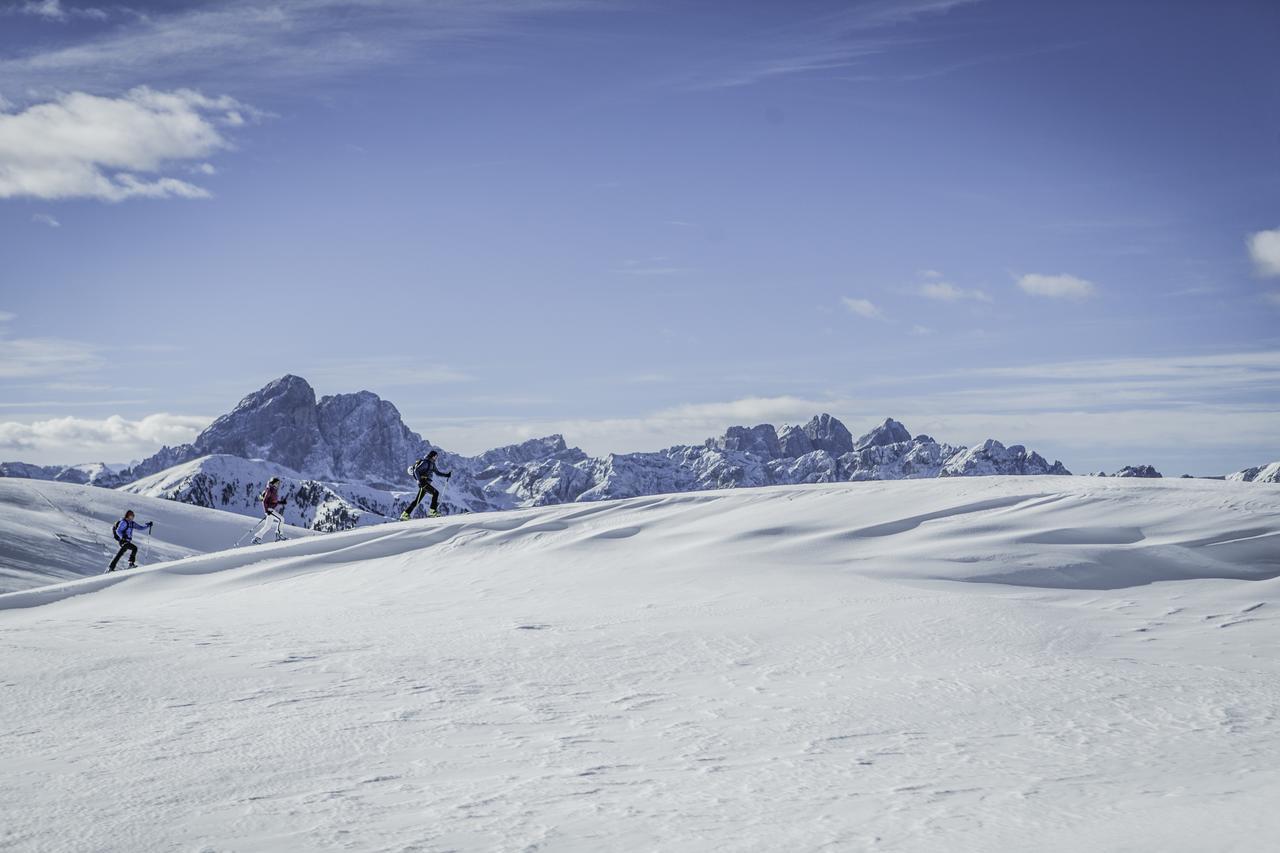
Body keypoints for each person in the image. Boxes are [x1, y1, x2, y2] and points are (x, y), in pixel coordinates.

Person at [401, 450, 451, 520]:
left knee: (417, 501)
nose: (436, 458)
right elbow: (416, 471)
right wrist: (420, 481)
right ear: (432, 456)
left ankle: (405, 514)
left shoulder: (432, 464)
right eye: (436, 456)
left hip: (426, 483)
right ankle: (432, 511)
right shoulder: (426, 462)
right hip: (423, 483)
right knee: (435, 493)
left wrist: (446, 475)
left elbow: (437, 473)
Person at [250, 476, 288, 544]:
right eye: (276, 483)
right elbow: (264, 501)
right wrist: (266, 511)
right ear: (272, 483)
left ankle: (256, 538)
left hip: (270, 510)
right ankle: (279, 535)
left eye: (278, 484)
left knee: (267, 526)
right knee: (281, 519)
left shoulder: (273, 491)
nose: (277, 485)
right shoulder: (269, 490)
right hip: (269, 510)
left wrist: (281, 502)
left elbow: (273, 501)